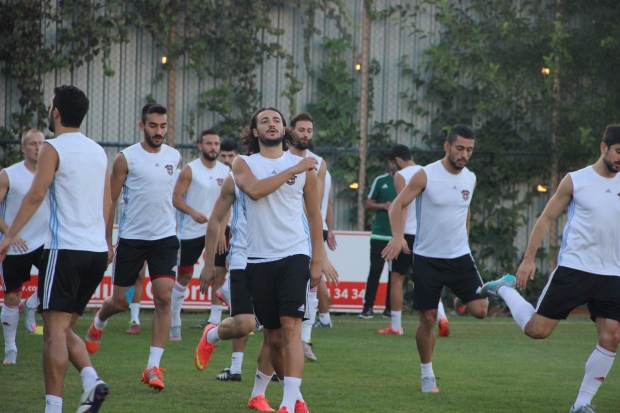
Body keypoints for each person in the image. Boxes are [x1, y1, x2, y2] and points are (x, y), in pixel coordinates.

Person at [195, 107, 334, 413]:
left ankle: (289, 402)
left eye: (277, 120)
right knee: (271, 336)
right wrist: (209, 262)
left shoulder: (304, 168)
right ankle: (283, 396)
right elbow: (256, 191)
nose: (272, 124)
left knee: (290, 328)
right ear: (255, 131)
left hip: (294, 255)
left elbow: (315, 215)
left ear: (284, 129)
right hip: (255, 260)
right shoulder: (244, 164)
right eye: (264, 121)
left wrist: (317, 259)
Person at [481, 125, 620, 413]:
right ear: (603, 147)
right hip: (575, 268)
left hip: (613, 274)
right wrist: (528, 258)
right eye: (619, 152)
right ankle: (504, 288)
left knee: (611, 336)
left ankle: (582, 404)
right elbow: (545, 218)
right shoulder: (576, 181)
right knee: (537, 330)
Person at [0, 85, 111, 413]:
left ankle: (54, 407)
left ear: (56, 112)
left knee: (52, 334)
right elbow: (107, 202)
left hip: (65, 251)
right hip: (95, 253)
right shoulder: (98, 151)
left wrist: (8, 236)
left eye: (51, 106)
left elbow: (36, 194)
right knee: (62, 329)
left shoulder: (52, 147)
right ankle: (90, 380)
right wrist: (105, 242)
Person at [382, 124, 487, 393]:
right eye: (460, 148)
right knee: (427, 319)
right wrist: (397, 237)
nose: (464, 155)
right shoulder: (425, 175)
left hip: (460, 257)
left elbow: (465, 211)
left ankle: (464, 296)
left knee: (481, 310)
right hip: (427, 258)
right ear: (447, 146)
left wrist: (464, 239)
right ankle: (427, 374)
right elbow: (397, 205)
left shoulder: (470, 178)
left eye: (469, 150)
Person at [85, 102, 182, 392]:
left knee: (163, 297)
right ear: (142, 126)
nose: (158, 131)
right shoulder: (125, 158)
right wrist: (106, 240)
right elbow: (110, 201)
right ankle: (99, 320)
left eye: (163, 126)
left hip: (164, 239)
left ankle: (153, 366)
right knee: (120, 302)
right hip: (132, 240)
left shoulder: (174, 156)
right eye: (153, 125)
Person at [170, 129, 230, 340]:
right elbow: (176, 198)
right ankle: (175, 321)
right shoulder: (190, 170)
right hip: (191, 231)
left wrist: (222, 230)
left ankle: (214, 320)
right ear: (200, 146)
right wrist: (192, 212)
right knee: (184, 276)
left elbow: (228, 204)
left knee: (219, 273)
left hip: (217, 232)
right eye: (209, 143)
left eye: (216, 144)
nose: (213, 147)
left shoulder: (226, 171)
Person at [1, 129, 46, 364]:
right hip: (16, 245)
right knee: (11, 298)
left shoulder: (52, 174)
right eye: (32, 144)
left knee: (58, 278)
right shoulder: (8, 175)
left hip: (45, 241)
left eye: (41, 143)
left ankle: (31, 304)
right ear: (23, 148)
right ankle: (10, 348)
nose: (38, 147)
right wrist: (10, 233)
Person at [289, 112, 330, 360]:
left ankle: (305, 339)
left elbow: (314, 204)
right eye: (301, 130)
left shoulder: (318, 163)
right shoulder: (281, 159)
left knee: (313, 282)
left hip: (306, 231)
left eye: (309, 130)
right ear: (291, 131)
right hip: (281, 231)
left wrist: (320, 250)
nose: (305, 135)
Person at [192, 137, 239, 330]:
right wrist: (220, 231)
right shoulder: (220, 174)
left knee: (239, 274)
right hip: (222, 228)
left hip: (238, 231)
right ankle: (214, 319)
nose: (227, 159)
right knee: (219, 272)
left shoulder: (241, 174)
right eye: (224, 156)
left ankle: (245, 315)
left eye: (231, 156)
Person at [377, 144, 420, 336]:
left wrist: (399, 236)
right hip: (425, 234)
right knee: (429, 278)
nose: (393, 168)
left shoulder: (401, 176)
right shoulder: (428, 172)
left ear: (399, 160)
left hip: (407, 232)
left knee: (397, 278)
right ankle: (442, 316)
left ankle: (395, 326)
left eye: (393, 164)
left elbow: (403, 205)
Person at [359, 164, 396, 319]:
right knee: (375, 271)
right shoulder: (381, 180)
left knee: (395, 274)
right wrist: (383, 205)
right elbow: (368, 204)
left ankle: (390, 309)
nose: (394, 165)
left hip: (397, 237)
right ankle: (367, 308)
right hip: (380, 235)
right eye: (392, 162)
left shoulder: (408, 181)